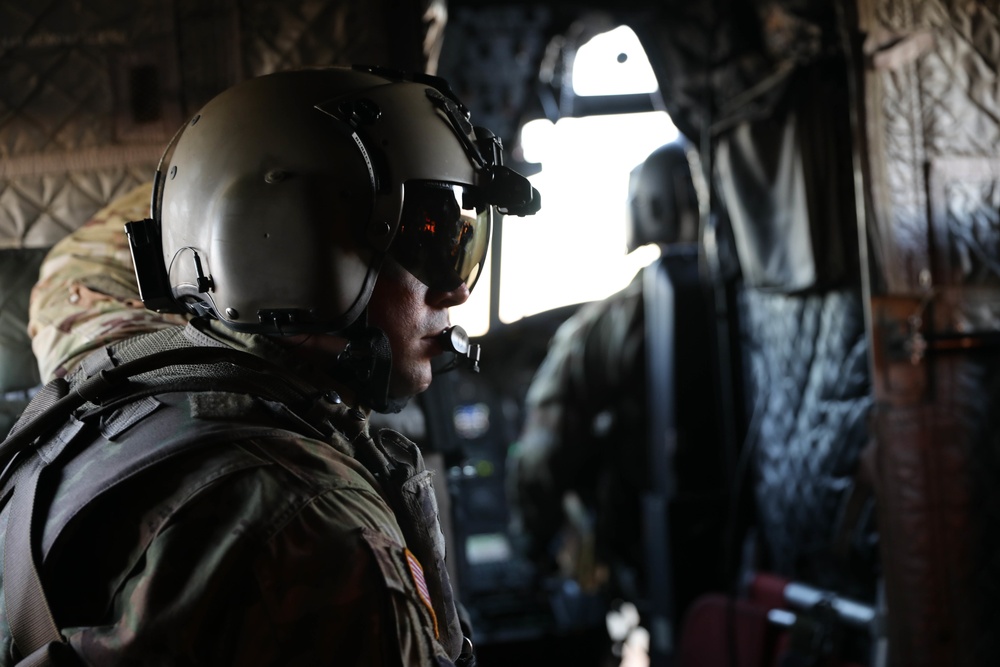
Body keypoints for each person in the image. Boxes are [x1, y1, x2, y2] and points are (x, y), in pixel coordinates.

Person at [0, 64, 538, 667]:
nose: (458, 293)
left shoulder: (115, 393)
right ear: (292, 241)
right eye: (435, 242)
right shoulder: (321, 532)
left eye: (465, 243)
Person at [507, 139, 727, 653]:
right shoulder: (756, 299)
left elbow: (544, 450)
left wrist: (533, 547)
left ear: (650, 209)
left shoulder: (613, 322)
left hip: (659, 561)